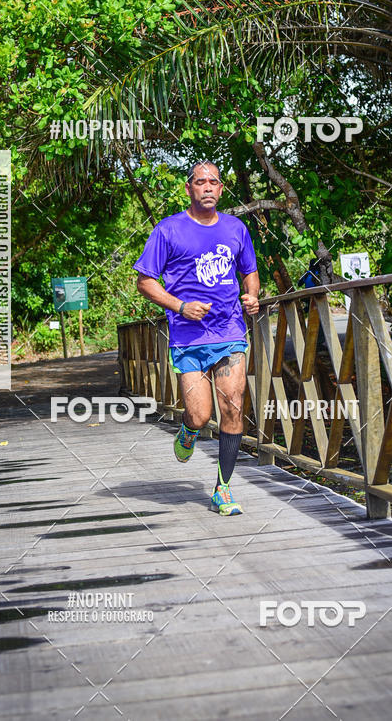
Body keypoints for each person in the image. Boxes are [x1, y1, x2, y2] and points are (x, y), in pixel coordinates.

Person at [133, 160, 260, 516]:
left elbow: (249, 272)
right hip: (188, 337)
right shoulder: (168, 230)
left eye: (213, 182)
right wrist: (180, 306)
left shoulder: (236, 229)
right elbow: (145, 281)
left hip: (229, 331)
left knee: (233, 406)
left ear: (221, 190)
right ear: (189, 189)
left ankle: (223, 488)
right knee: (201, 415)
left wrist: (251, 296)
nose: (207, 187)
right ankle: (189, 431)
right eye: (200, 182)